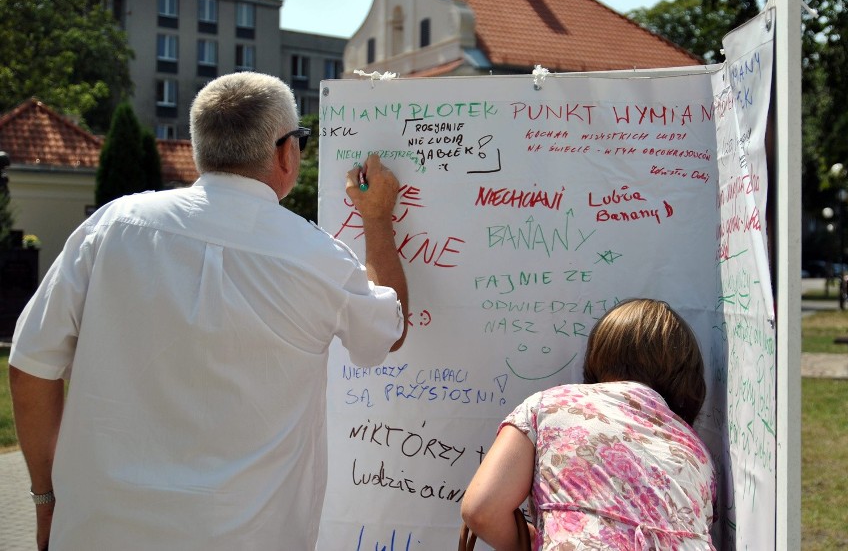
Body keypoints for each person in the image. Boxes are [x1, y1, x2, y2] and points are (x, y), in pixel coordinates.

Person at [9, 72, 408, 550]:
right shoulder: (317, 257)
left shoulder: (113, 226)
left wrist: (46, 498)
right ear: (285, 151)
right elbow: (387, 332)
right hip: (247, 535)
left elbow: (29, 367)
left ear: (202, 149)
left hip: (98, 529)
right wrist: (378, 219)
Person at [461, 299, 716, 550]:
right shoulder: (698, 454)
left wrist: (532, 543)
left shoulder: (550, 407)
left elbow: (482, 509)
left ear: (599, 352)